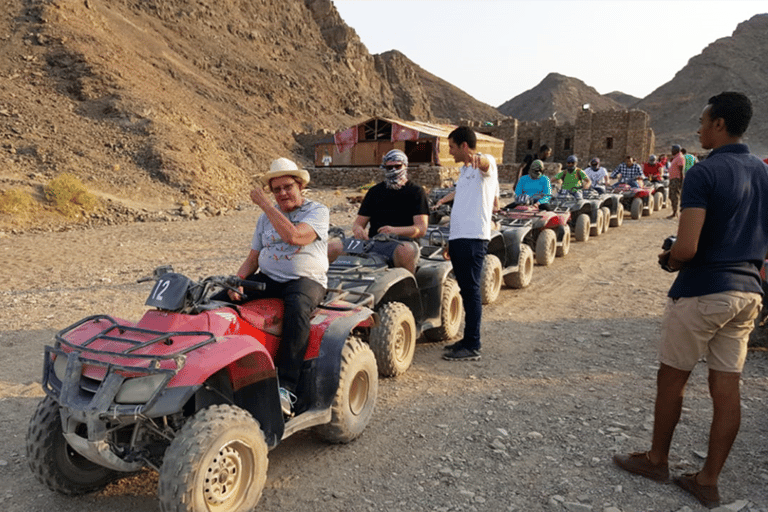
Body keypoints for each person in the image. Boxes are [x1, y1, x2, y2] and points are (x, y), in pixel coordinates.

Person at [612, 92, 768, 509]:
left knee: (673, 379)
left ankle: (657, 460)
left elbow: (686, 248)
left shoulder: (705, 172)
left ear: (718, 124)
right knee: (727, 387)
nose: (698, 129)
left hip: (702, 292)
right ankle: (707, 481)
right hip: (748, 293)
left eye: (702, 121)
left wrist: (667, 258)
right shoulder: (762, 170)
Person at [221, 157, 329, 415]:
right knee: (216, 300)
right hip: (269, 278)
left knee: (297, 309)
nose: (282, 193)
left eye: (287, 187)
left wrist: (266, 205)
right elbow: (252, 258)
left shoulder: (317, 211)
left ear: (300, 186)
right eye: (276, 189)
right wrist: (237, 281)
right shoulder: (264, 219)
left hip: (306, 280)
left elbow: (294, 237)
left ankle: (288, 388)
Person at [433, 126, 499, 361]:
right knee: (465, 290)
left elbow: (485, 163)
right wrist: (451, 239)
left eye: (451, 146)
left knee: (471, 292)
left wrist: (477, 158)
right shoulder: (464, 172)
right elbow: (461, 202)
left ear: (463, 146)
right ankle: (467, 338)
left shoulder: (486, 163)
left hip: (474, 238)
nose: (449, 152)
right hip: (460, 238)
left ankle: (473, 344)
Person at [327, 149, 428, 273]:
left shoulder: (416, 192)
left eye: (397, 166)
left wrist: (394, 230)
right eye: (389, 167)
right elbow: (359, 223)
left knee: (405, 251)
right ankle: (328, 286)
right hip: (371, 242)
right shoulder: (375, 192)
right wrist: (358, 230)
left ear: (405, 166)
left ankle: (408, 289)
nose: (394, 170)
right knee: (332, 247)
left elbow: (421, 229)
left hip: (400, 242)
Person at [667, 144, 686, 218]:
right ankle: (675, 211)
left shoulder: (680, 158)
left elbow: (681, 170)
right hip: (673, 179)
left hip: (676, 179)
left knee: (675, 196)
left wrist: (681, 181)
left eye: (673, 150)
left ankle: (675, 213)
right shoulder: (676, 158)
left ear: (677, 150)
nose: (671, 151)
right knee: (671, 195)